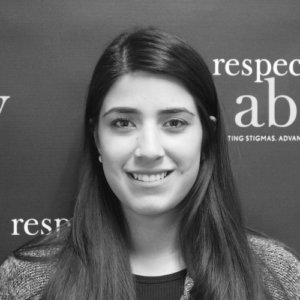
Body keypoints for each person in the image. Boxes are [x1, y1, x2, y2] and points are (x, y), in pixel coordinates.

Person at [0, 28, 299, 300]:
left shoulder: (277, 279)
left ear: (206, 139)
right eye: (123, 123)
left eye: (174, 122)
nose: (149, 150)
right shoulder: (26, 283)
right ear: (97, 140)